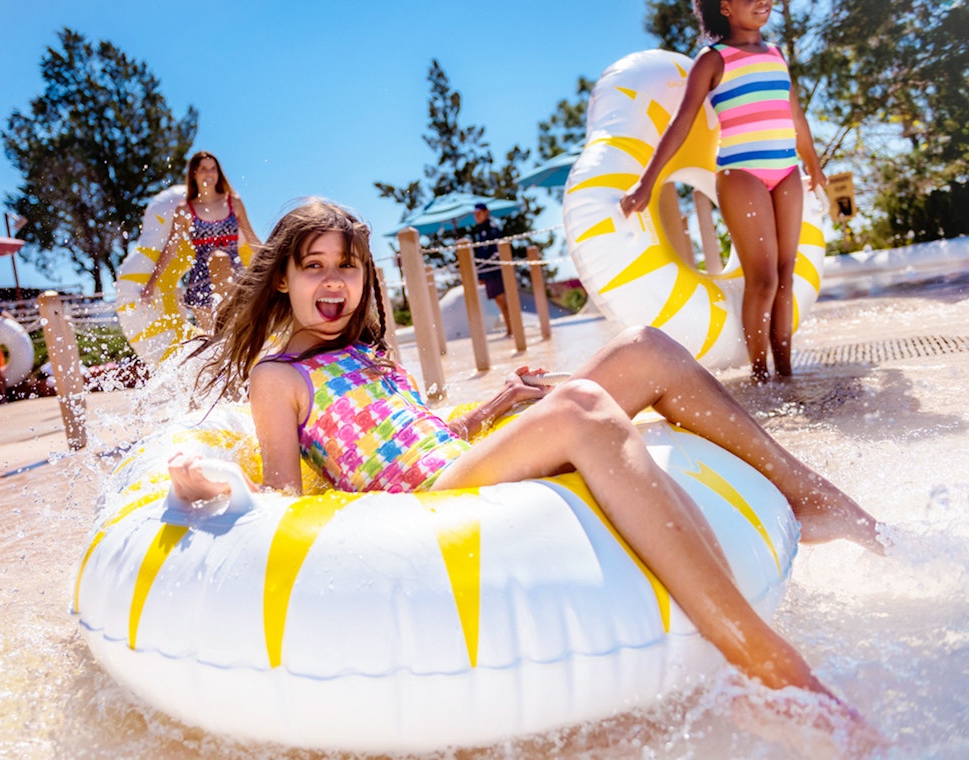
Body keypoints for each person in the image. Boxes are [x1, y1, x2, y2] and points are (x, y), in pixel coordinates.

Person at [165, 199, 885, 737]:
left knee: (644, 346)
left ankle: (813, 498)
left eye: (347, 266)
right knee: (583, 408)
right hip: (427, 498)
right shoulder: (278, 376)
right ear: (283, 279)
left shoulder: (366, 350)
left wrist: (496, 406)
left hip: (453, 459)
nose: (333, 282)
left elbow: (416, 431)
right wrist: (211, 487)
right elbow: (286, 496)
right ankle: (763, 663)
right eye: (313, 266)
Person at [619, 0, 827, 384]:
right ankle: (760, 375)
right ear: (726, 7)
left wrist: (813, 166)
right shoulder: (713, 59)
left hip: (787, 172)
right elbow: (682, 122)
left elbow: (794, 114)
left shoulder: (777, 54)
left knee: (785, 274)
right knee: (762, 279)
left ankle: (786, 373)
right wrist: (646, 182)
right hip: (740, 173)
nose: (764, 2)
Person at [140, 150, 261, 331]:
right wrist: (151, 283)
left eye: (213, 169)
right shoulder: (185, 210)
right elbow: (171, 248)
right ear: (194, 173)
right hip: (201, 281)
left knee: (235, 335)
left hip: (233, 276)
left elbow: (251, 239)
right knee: (212, 341)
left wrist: (276, 265)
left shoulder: (233, 202)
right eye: (203, 169)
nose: (209, 173)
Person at [469, 202, 511, 336]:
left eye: (479, 213)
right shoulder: (480, 231)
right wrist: (481, 274)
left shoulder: (492, 228)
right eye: (475, 214)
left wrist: (483, 272)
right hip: (488, 272)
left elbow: (494, 252)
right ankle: (511, 328)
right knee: (499, 301)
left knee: (503, 300)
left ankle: (512, 328)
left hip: (495, 271)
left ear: (486, 212)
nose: (476, 216)